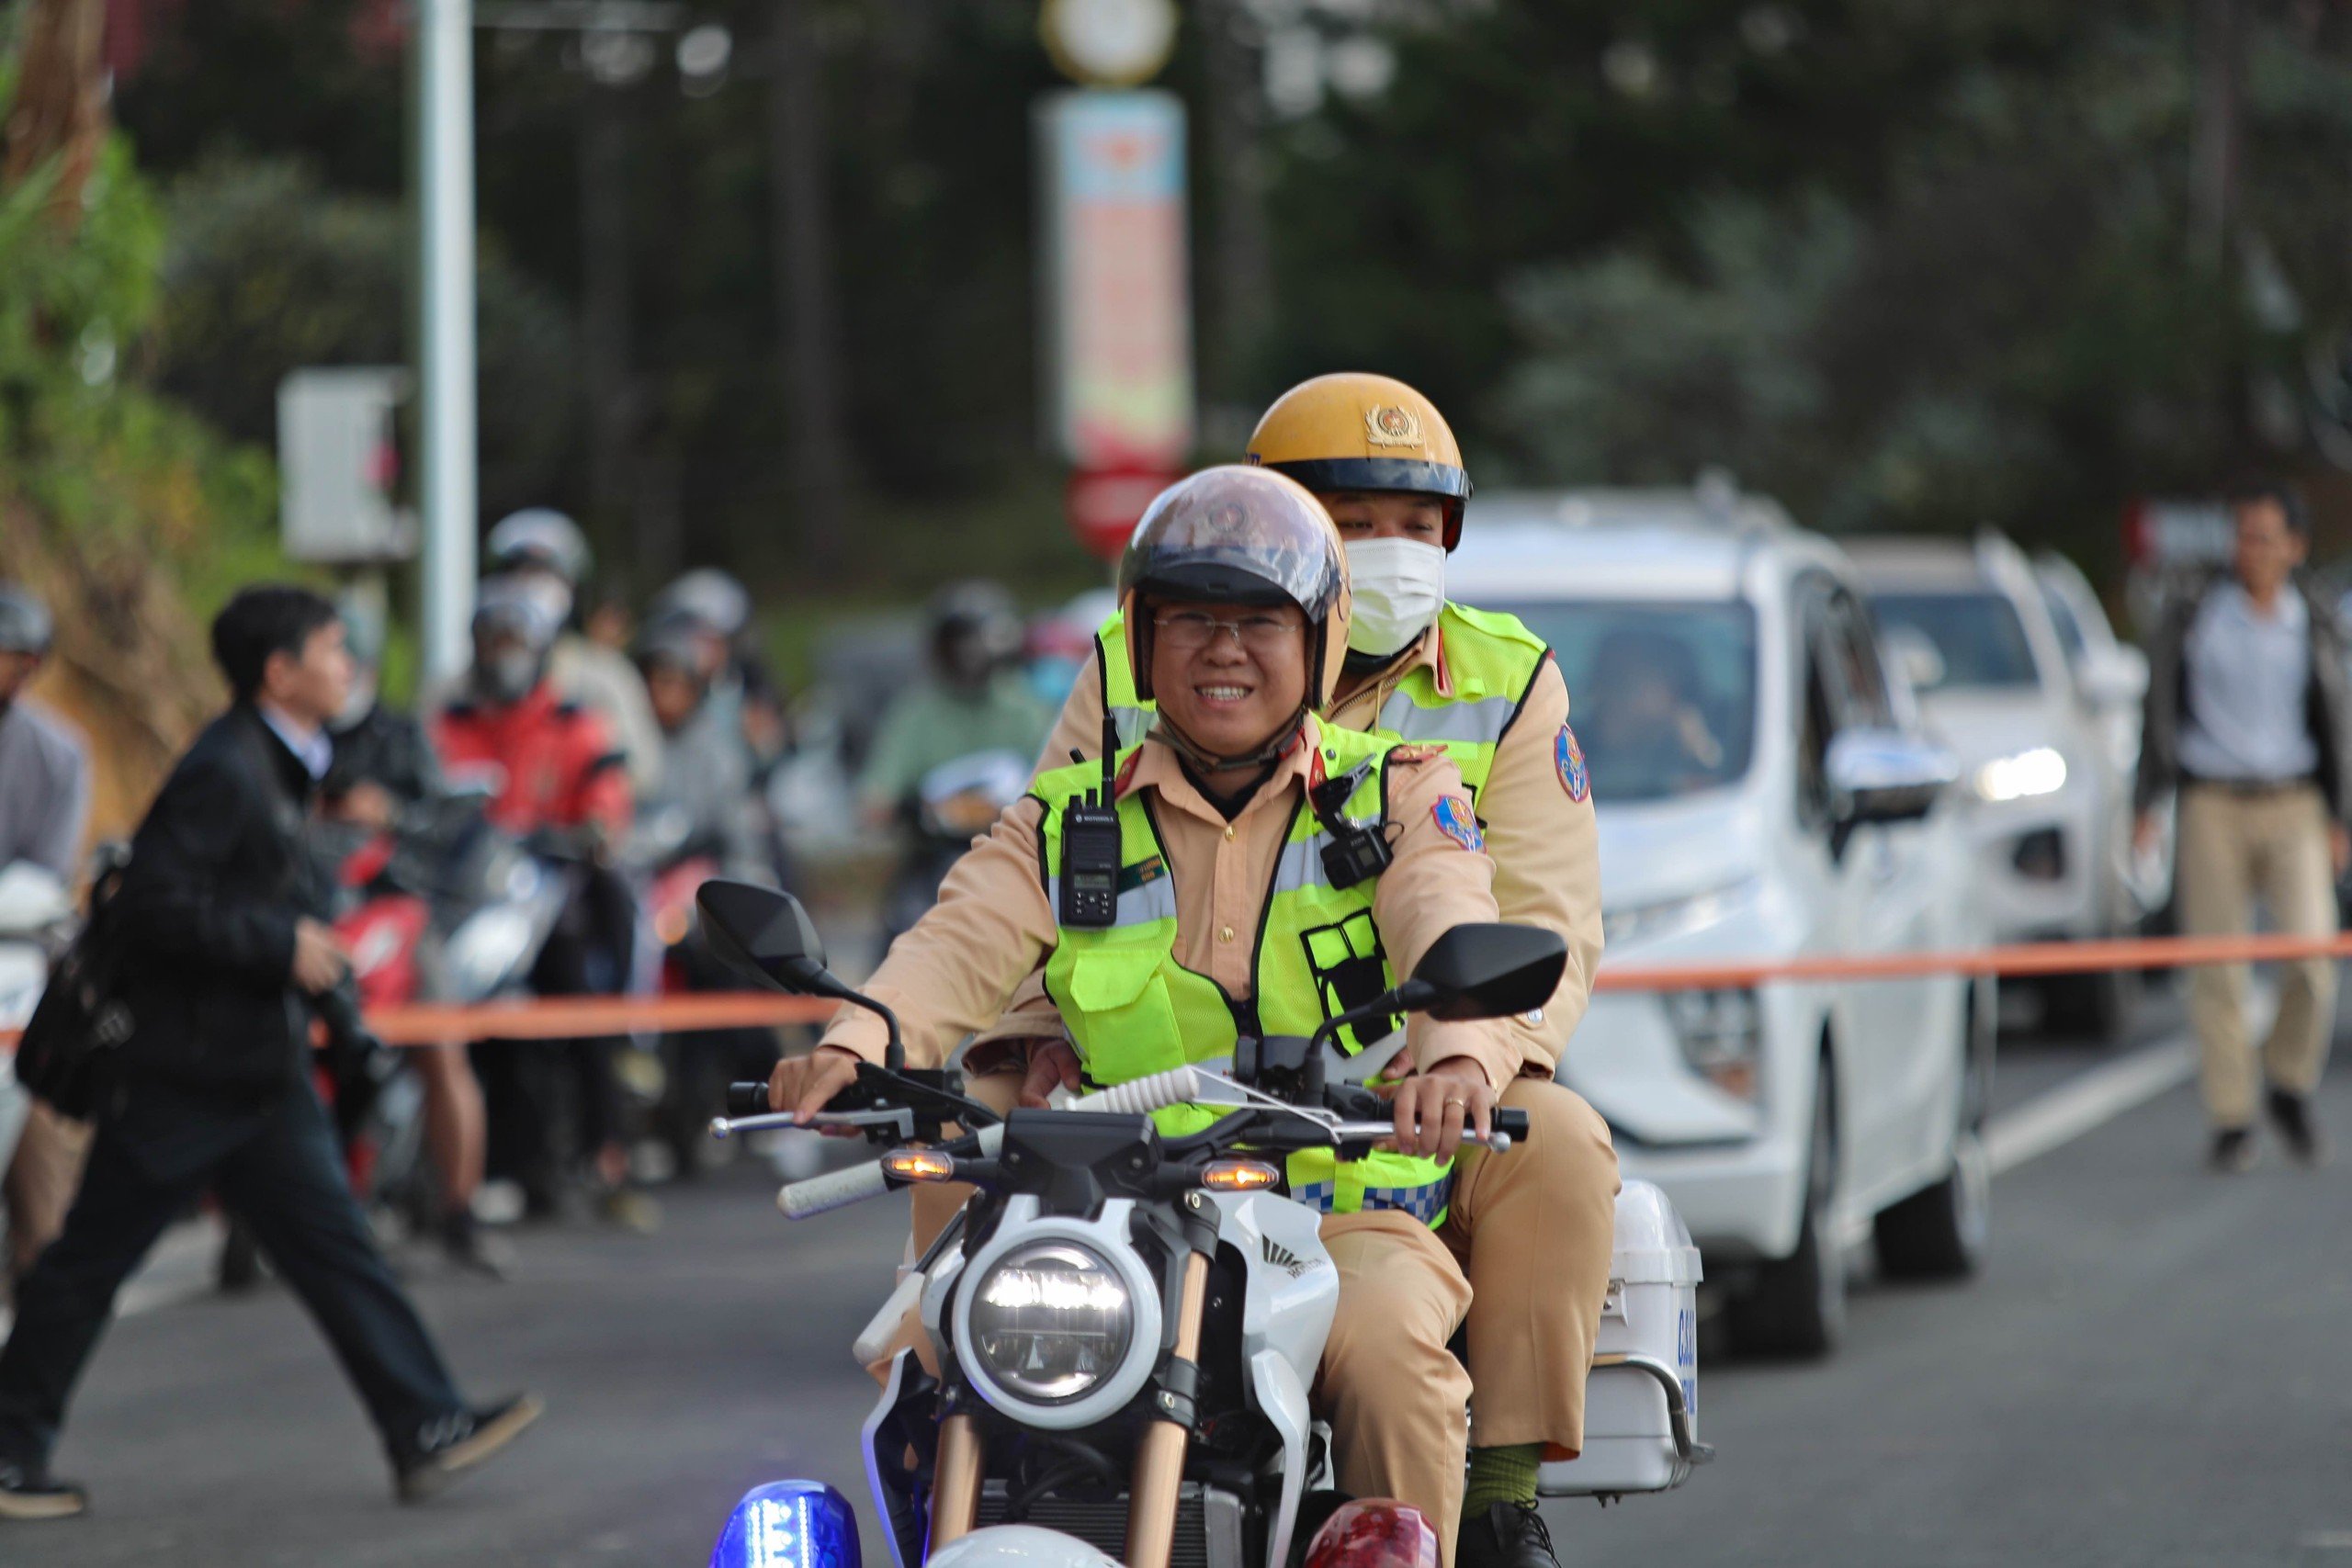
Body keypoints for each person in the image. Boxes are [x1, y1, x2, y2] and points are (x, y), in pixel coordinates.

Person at [768, 468, 1566, 1568]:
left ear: (1321, 641)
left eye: (1256, 622)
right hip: (1105, 1222)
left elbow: (1445, 912)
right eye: (1189, 618)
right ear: (1141, 644)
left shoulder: (1400, 792)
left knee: (1391, 1363)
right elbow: (956, 943)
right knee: (930, 1348)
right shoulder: (1065, 818)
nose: (1222, 649)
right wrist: (858, 1044)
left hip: (1335, 1222)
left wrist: (1461, 1057)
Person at [1025, 374, 1615, 1568]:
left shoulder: (1504, 680)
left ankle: (1490, 1496)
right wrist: (1027, 1033)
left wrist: (1459, 1049)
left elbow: (1539, 913)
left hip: (1393, 1081)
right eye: (1352, 520)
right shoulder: (1147, 647)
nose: (1390, 550)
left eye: (1418, 524)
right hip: (1159, 1087)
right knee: (979, 1129)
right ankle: (936, 1371)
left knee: (1554, 1138)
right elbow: (1053, 864)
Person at [0, 586, 540, 1521]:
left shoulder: (285, 759)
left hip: (254, 1067)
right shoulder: (229, 768)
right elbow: (154, 905)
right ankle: (8, 1452)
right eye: (331, 650)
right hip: (190, 1072)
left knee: (340, 1253)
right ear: (278, 672)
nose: (347, 665)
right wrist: (279, 943)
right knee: (87, 1263)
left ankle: (423, 1423)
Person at [2134, 479, 2352, 1172]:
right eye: (2241, 536)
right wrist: (2148, 803)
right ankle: (2232, 1114)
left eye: (2264, 537)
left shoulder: (2312, 619)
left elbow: (2337, 723)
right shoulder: (2199, 612)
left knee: (2312, 959)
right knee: (2218, 967)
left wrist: (2339, 814)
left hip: (2292, 801)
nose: (2249, 550)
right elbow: (2159, 707)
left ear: (2294, 546)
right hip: (2213, 802)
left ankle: (2287, 1079)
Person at [434, 576, 651, 1229]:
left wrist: (593, 826)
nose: (502, 653)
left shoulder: (574, 721)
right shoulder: (454, 722)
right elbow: (425, 792)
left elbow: (608, 792)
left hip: (556, 891)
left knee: (578, 1001)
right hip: (473, 892)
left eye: (514, 640)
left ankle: (607, 1149)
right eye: (491, 639)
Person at [321, 596, 502, 1277]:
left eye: (346, 658)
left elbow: (446, 826)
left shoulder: (400, 736)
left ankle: (461, 1208)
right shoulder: (284, 742)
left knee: (444, 1049)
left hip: (397, 918)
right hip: (312, 924)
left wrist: (387, 813)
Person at [0, 585, 93, 1291]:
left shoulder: (58, 752)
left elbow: (49, 875)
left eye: (26, 658)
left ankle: (37, 1315)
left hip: (20, 968)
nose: (14, 669)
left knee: (44, 1134)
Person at [481, 509, 663, 795]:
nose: (530, 590)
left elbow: (641, 771)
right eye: (518, 574)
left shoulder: (605, 676)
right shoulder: (464, 683)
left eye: (545, 577)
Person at [855, 580, 1053, 829]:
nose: (968, 656)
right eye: (958, 645)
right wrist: (918, 811)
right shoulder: (917, 714)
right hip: (938, 849)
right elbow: (876, 799)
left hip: (1017, 841)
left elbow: (1058, 781)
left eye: (975, 645)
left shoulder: (1023, 706)